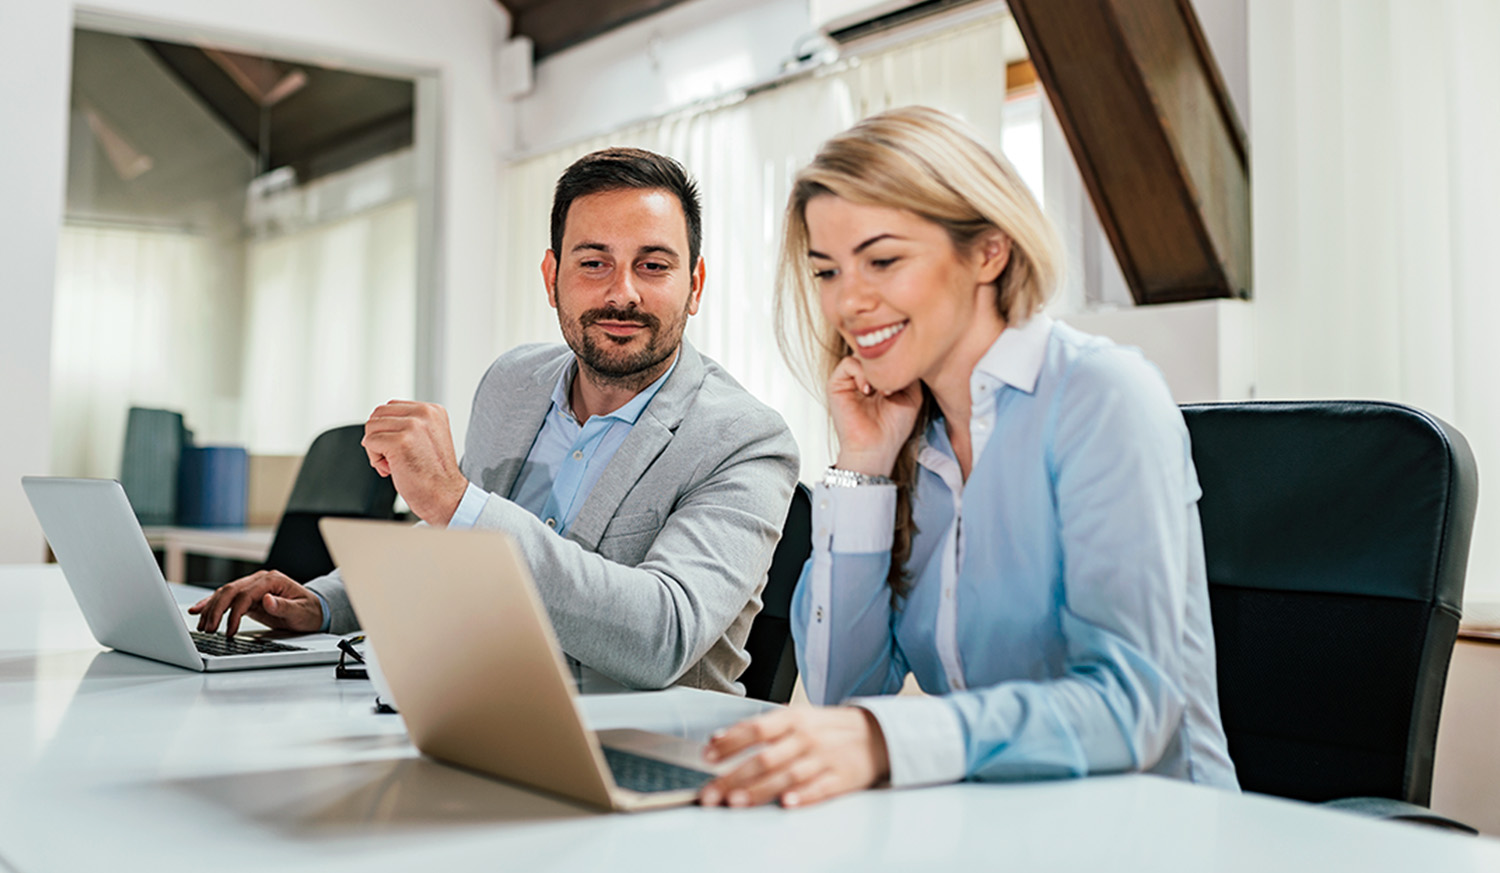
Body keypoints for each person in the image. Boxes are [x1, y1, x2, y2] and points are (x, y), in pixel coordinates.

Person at [698, 106, 1238, 807]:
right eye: (826, 271)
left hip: (1153, 831)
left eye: (883, 260)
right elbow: (842, 694)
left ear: (988, 251)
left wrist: (890, 738)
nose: (848, 302)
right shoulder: (911, 435)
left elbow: (1131, 708)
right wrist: (862, 465)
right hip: (994, 825)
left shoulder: (1102, 397)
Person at [191, 147, 800, 694]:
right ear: (551, 278)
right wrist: (324, 604)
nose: (623, 294)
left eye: (653, 266)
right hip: (470, 710)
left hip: (643, 752)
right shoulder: (512, 384)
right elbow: (451, 545)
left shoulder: (744, 439)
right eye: (593, 263)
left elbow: (662, 636)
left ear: (694, 285)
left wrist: (455, 501)